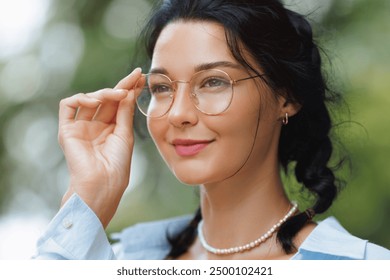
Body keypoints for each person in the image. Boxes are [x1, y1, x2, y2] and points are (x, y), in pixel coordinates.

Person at [34, 0, 390, 260]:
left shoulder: (360, 266)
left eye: (214, 82)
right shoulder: (121, 258)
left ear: (286, 96)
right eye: (161, 87)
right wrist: (89, 198)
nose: (179, 113)